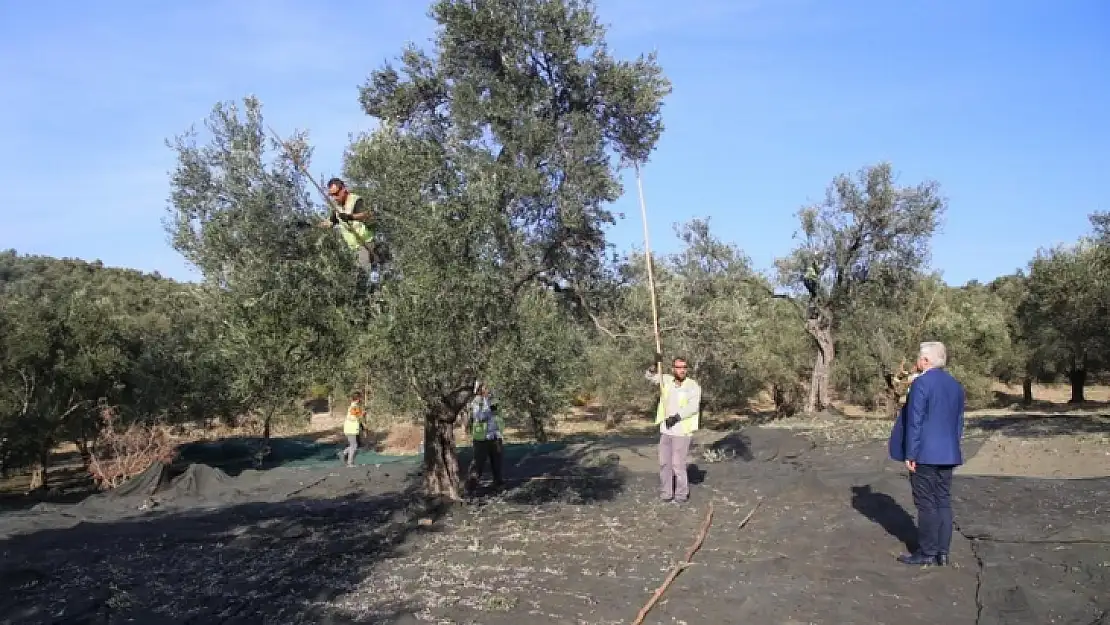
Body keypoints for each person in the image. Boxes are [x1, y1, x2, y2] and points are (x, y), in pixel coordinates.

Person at [888, 341, 966, 566]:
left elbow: (915, 421)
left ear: (926, 361)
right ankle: (943, 552)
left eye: (919, 358)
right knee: (943, 500)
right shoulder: (955, 385)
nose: (917, 361)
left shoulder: (922, 384)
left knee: (926, 503)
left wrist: (910, 454)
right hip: (948, 452)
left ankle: (927, 552)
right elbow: (959, 422)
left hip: (925, 454)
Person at [645, 355, 702, 504]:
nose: (682, 370)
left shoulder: (692, 386)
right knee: (665, 463)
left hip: (682, 431)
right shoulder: (667, 380)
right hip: (666, 430)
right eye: (679, 367)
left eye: (684, 367)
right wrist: (654, 363)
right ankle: (666, 493)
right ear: (673, 369)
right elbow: (650, 377)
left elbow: (693, 407)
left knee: (678, 464)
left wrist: (676, 417)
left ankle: (681, 495)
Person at [317, 178, 377, 273]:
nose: (335, 197)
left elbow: (367, 214)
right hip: (353, 248)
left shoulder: (356, 200)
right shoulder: (337, 207)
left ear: (343, 189)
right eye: (332, 195)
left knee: (363, 274)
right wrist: (312, 225)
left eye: (336, 194)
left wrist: (350, 217)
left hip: (365, 243)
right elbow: (330, 223)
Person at [465, 383, 506, 493]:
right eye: (485, 387)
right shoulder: (477, 401)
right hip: (482, 438)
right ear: (480, 389)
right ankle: (470, 487)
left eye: (489, 387)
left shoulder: (493, 399)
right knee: (478, 464)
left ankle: (498, 484)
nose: (488, 389)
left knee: (497, 462)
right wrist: (489, 412)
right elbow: (479, 417)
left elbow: (499, 412)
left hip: (495, 436)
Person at [341, 391, 366, 468]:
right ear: (358, 399)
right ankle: (350, 463)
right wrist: (363, 414)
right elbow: (356, 416)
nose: (361, 400)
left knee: (355, 445)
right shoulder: (354, 406)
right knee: (354, 445)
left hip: (351, 429)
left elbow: (358, 417)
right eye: (360, 398)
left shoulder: (355, 406)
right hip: (350, 429)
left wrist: (363, 428)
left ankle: (344, 453)